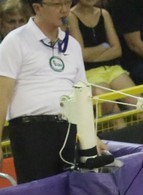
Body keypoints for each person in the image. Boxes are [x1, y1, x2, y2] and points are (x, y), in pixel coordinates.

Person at [0, 0, 86, 183]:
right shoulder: (14, 42)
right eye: (56, 4)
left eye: (67, 3)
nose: (64, 10)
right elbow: (2, 94)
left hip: (69, 130)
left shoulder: (72, 45)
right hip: (32, 131)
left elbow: (82, 95)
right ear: (37, 8)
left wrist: (90, 138)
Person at [69, 0, 138, 116]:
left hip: (113, 68)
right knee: (113, 113)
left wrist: (91, 54)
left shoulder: (104, 14)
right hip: (89, 73)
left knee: (140, 106)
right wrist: (104, 47)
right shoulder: (71, 16)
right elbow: (80, 54)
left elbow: (117, 50)